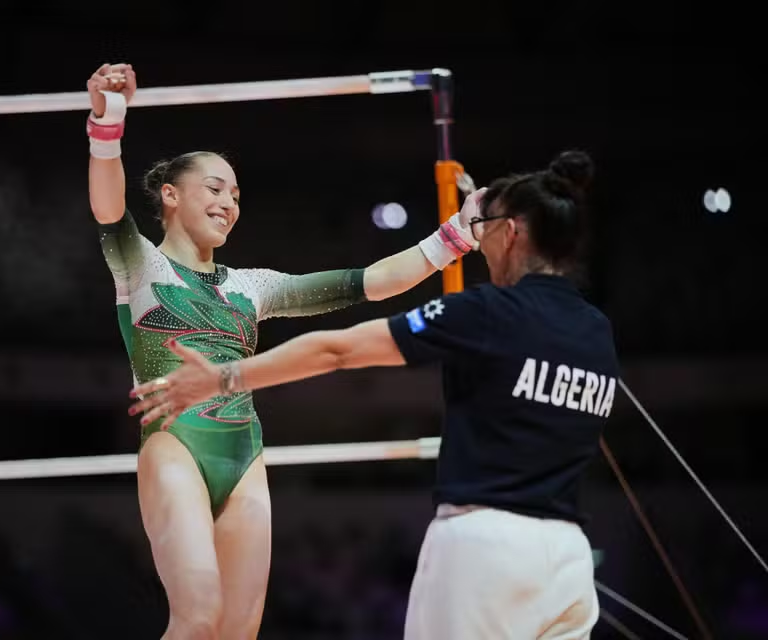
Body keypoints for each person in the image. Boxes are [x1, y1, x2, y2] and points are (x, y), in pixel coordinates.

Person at [130, 149, 620, 639]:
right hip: (569, 558)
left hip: (485, 546)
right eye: (216, 190)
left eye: (488, 227)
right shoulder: (598, 330)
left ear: (511, 233)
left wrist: (223, 377)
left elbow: (338, 350)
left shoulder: (486, 311)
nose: (481, 239)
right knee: (203, 619)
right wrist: (452, 235)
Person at [86, 62, 482, 640]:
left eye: (237, 195)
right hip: (176, 445)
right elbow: (106, 206)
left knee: (238, 633)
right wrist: (109, 117)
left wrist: (456, 237)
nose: (229, 203)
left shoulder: (252, 286)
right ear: (170, 196)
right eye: (215, 188)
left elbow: (371, 281)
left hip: (245, 455)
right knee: (197, 620)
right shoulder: (140, 264)